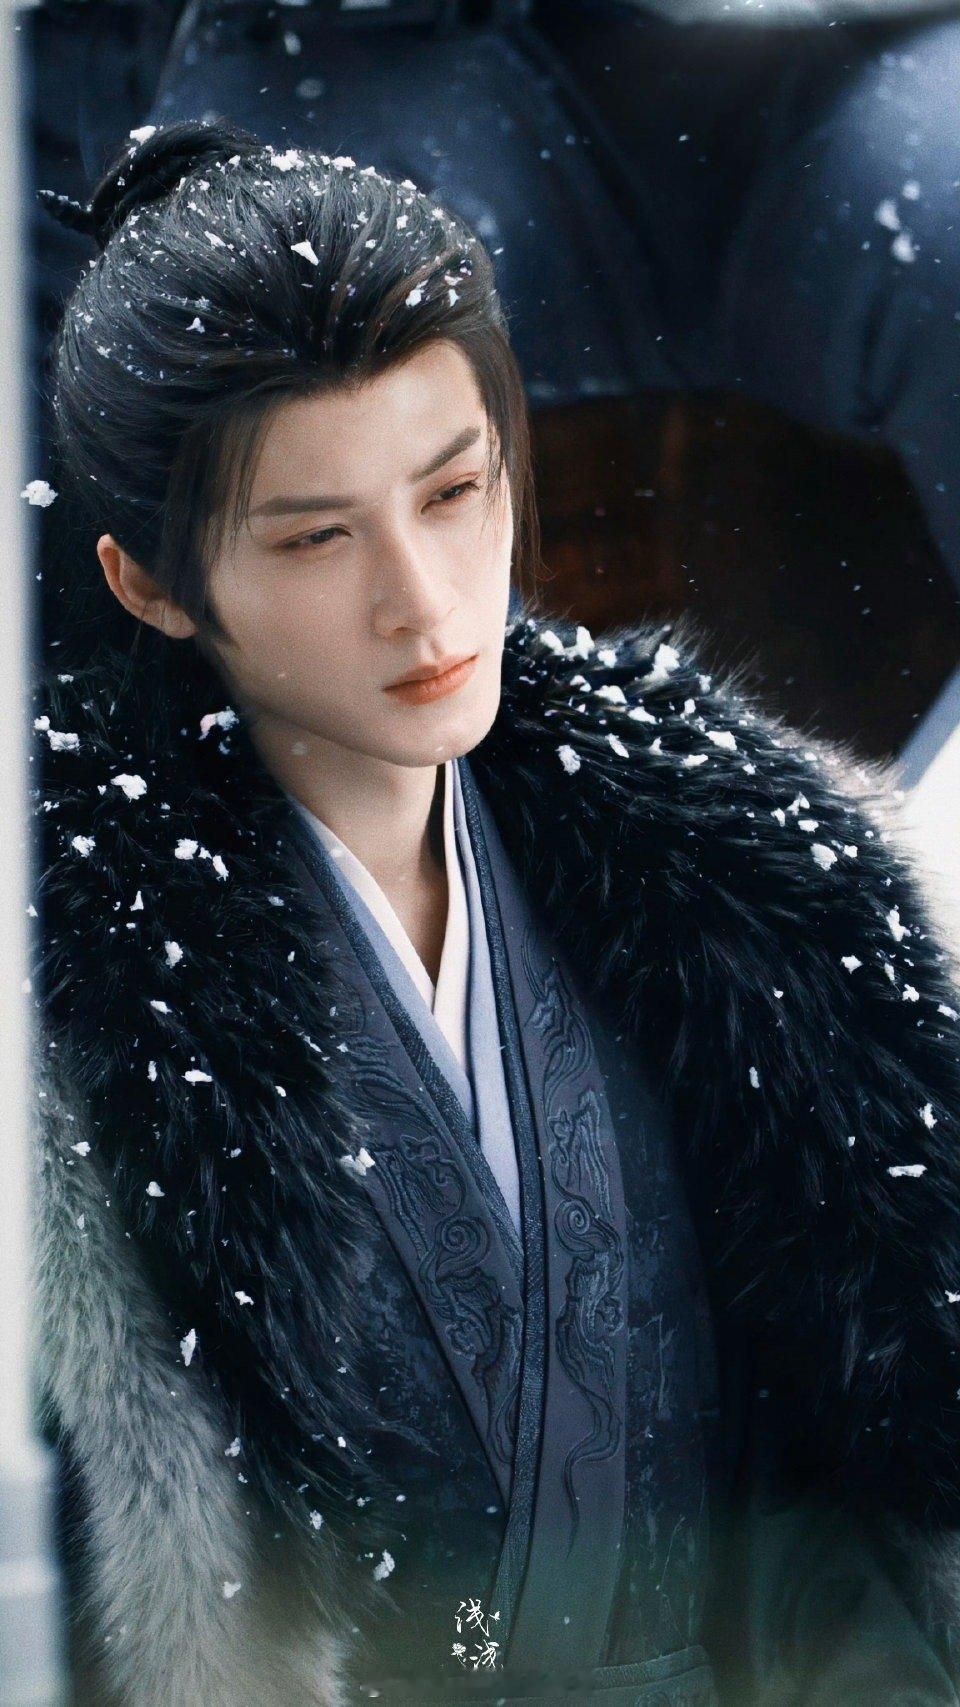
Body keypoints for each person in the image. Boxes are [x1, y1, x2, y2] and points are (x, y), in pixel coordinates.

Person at [31, 118, 960, 1705]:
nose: (425, 600)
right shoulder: (74, 1028)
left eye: (455, 490)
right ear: (151, 583)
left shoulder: (735, 891)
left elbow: (838, 1488)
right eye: (318, 536)